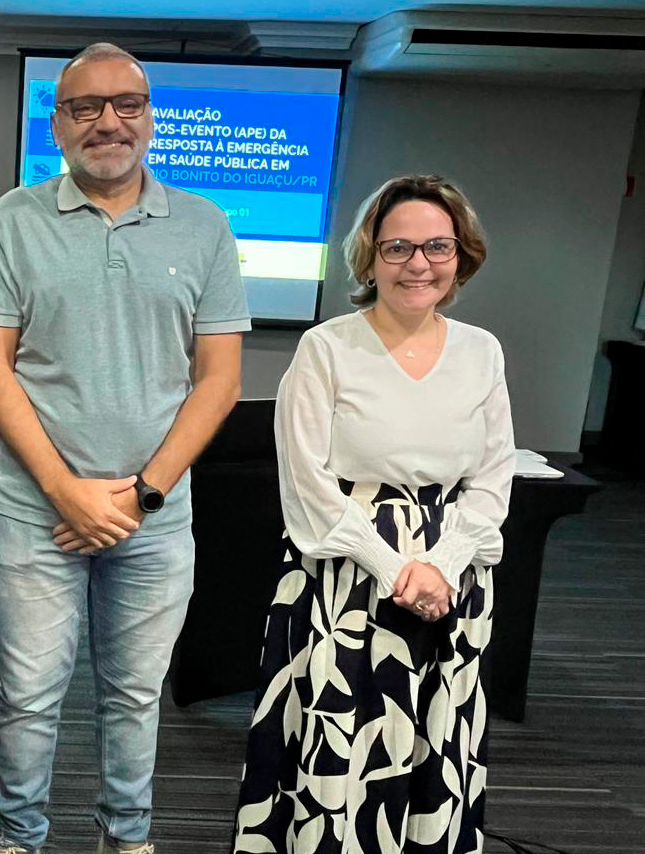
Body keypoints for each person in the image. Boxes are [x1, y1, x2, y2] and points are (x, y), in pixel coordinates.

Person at [0, 43, 249, 854]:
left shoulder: (204, 224)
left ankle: (126, 836)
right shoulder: (15, 218)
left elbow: (219, 381)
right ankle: (19, 839)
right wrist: (67, 492)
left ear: (150, 118)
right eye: (84, 107)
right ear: (58, 124)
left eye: (127, 104)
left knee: (134, 697)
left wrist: (142, 493)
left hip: (153, 517)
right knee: (28, 697)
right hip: (35, 513)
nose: (107, 122)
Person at [231, 174, 514, 853]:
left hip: (450, 580)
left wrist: (441, 566)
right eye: (398, 247)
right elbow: (306, 483)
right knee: (338, 741)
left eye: (437, 246)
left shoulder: (482, 351)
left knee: (431, 740)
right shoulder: (326, 347)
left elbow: (493, 473)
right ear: (369, 257)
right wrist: (394, 570)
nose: (419, 263)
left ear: (460, 255)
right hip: (344, 580)